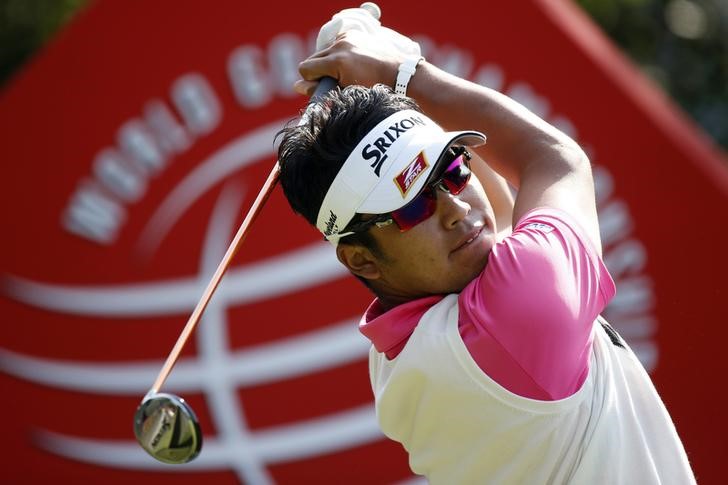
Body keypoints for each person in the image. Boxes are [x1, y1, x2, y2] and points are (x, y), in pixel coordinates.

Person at [275, 18, 696, 484]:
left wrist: (391, 95)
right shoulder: (515, 317)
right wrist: (409, 72)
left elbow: (501, 218)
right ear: (361, 259)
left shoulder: (397, 349)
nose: (456, 209)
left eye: (453, 169)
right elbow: (554, 159)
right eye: (413, 206)